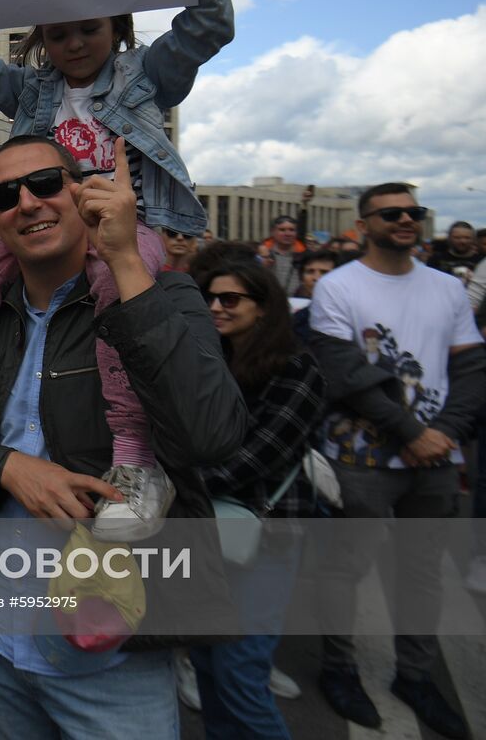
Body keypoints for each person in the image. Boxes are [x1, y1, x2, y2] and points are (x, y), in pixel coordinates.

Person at [0, 135, 246, 738]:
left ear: (83, 192)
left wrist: (127, 261)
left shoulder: (163, 293)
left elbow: (212, 434)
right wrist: (9, 468)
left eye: (46, 183)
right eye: (5, 195)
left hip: (110, 655)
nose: (27, 202)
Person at [0, 0, 230, 540]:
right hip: (46, 236)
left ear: (117, 27)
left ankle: (134, 464)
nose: (74, 44)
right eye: (59, 34)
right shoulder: (31, 90)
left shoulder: (144, 75)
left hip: (129, 233)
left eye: (88, 30)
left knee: (114, 298)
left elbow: (208, 24)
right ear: (42, 39)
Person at [310, 183, 484, 738]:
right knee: (344, 571)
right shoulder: (338, 287)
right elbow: (345, 373)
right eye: (392, 213)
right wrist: (412, 430)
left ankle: (414, 675)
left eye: (414, 212)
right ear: (365, 224)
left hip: (434, 458)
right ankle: (338, 670)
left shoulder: (446, 288)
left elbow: (471, 367)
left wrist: (444, 434)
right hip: (360, 460)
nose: (406, 219)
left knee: (422, 572)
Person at [186, 260, 325, 740]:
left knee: (240, 671)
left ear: (264, 308)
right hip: (208, 526)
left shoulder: (297, 366)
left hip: (264, 532)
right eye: (209, 299)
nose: (216, 308)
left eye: (230, 299)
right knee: (207, 663)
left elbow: (258, 455)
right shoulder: (211, 357)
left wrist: (177, 486)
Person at [260, 214, 305, 296]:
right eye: (282, 230)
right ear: (273, 232)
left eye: (291, 230)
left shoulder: (304, 256)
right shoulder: (263, 255)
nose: (287, 234)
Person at [427, 220, 482, 286]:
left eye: (467, 238)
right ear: (449, 238)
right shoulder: (436, 259)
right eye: (457, 237)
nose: (462, 241)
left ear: (473, 239)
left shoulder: (482, 261)